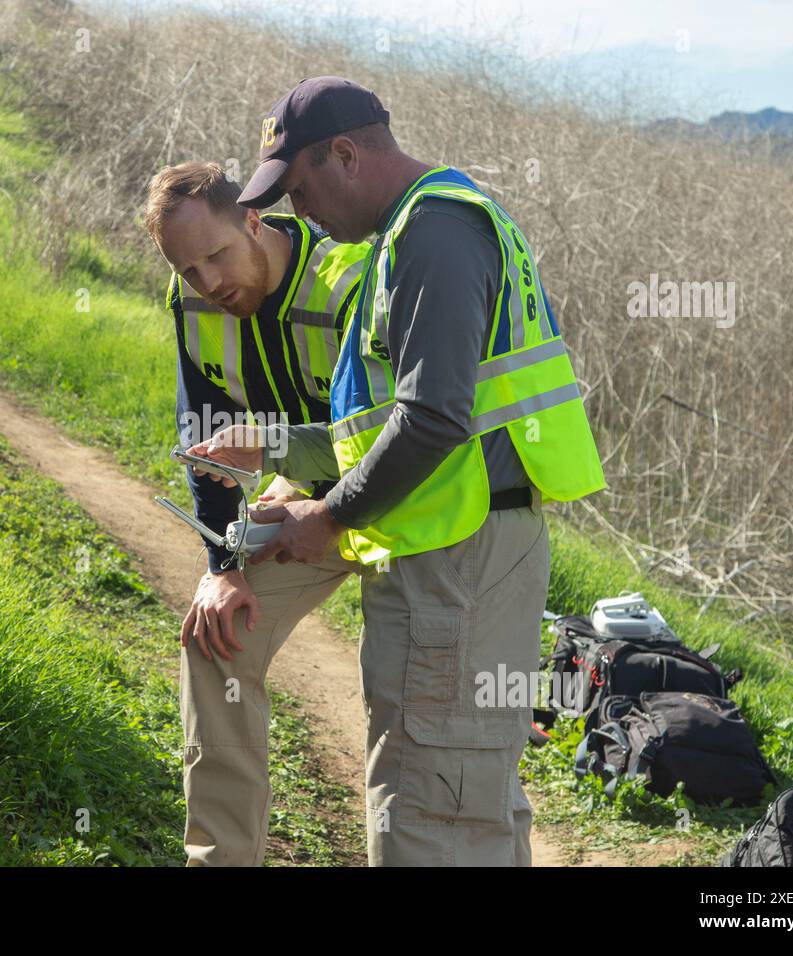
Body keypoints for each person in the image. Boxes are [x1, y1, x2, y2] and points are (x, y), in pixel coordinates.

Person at [187, 77, 606, 866]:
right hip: (459, 551)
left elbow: (434, 420)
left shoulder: (433, 235)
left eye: (300, 191)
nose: (297, 214)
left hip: (460, 568)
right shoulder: (411, 235)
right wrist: (274, 448)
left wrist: (331, 517)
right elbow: (382, 426)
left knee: (428, 816)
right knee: (462, 806)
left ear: (345, 153)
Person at [143, 161, 369, 865]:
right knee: (216, 636)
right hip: (302, 491)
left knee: (416, 694)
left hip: (404, 494)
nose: (209, 283)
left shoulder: (349, 280)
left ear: (252, 219)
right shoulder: (197, 307)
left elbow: (404, 436)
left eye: (215, 256)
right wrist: (224, 568)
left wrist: (285, 465)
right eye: (189, 271)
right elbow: (205, 435)